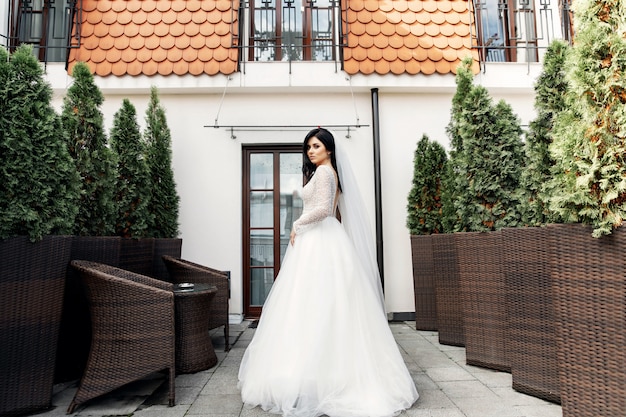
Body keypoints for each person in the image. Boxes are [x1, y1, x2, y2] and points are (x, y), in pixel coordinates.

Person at [238, 128, 419, 417]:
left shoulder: (323, 173)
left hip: (319, 238)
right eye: (308, 146)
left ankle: (314, 372)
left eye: (317, 146)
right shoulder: (329, 172)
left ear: (329, 149)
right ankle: (327, 370)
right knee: (327, 304)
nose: (311, 151)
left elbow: (323, 209)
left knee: (312, 303)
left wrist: (297, 224)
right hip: (324, 237)